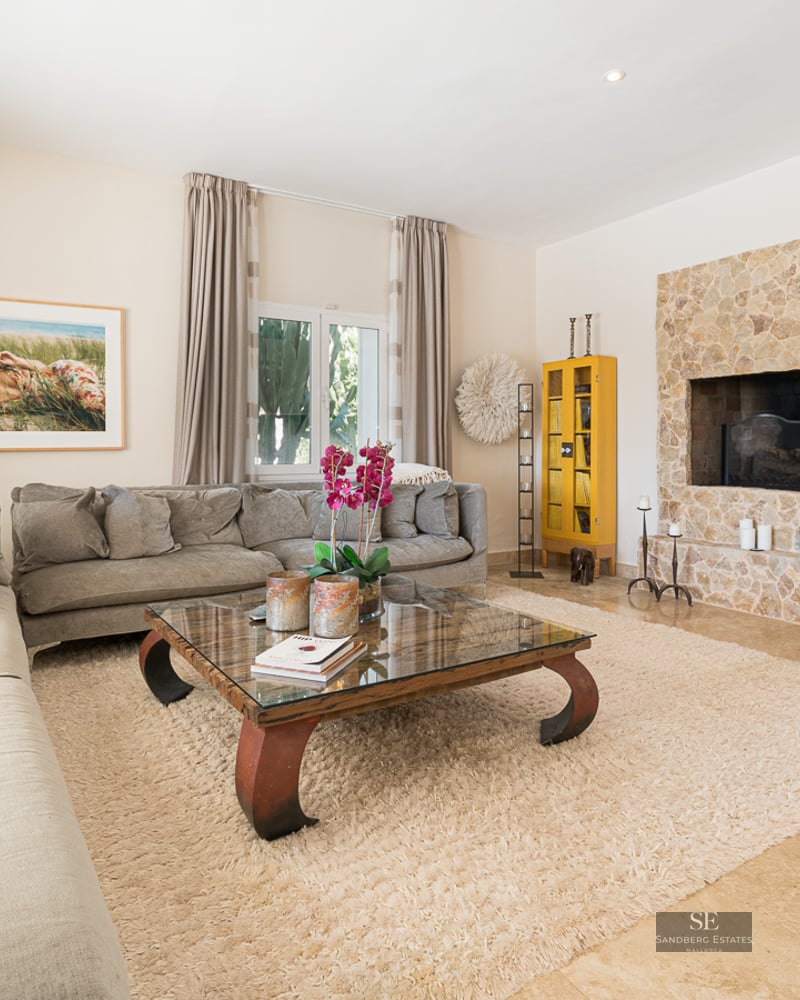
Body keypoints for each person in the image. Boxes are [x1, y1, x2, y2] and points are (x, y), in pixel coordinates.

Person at [0, 350, 105, 414]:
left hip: (64, 372)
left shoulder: (3, 368)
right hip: (63, 399)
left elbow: (44, 369)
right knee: (89, 406)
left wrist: (17, 361)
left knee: (92, 402)